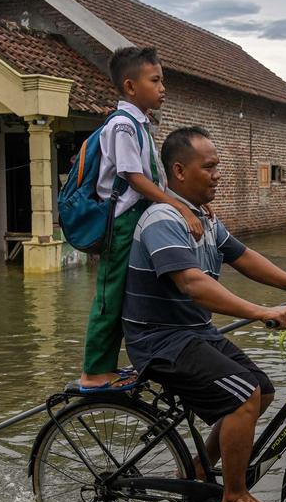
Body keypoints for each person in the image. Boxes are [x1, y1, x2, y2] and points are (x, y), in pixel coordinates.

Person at [122, 126, 286, 502]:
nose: (218, 175)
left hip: (192, 333)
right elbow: (193, 284)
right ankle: (233, 498)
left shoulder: (205, 219)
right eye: (209, 167)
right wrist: (260, 311)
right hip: (159, 340)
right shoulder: (163, 218)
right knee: (244, 397)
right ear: (179, 172)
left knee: (262, 390)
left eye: (218, 166)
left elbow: (244, 257)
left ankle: (199, 469)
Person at [76, 47, 204, 391]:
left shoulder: (140, 125)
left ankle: (118, 364)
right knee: (110, 294)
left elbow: (157, 183)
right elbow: (135, 178)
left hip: (137, 220)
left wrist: (192, 205)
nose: (163, 87)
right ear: (130, 87)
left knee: (129, 295)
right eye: (156, 80)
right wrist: (180, 208)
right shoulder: (121, 125)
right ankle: (94, 371)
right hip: (120, 222)